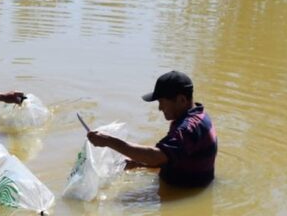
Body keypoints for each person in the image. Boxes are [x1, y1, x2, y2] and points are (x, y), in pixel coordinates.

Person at [87, 70, 217, 187]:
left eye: (161, 102)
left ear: (181, 100)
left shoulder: (188, 128)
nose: (160, 108)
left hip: (185, 193)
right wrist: (140, 164)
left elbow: (156, 156)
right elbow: (173, 155)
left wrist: (109, 141)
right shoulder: (199, 116)